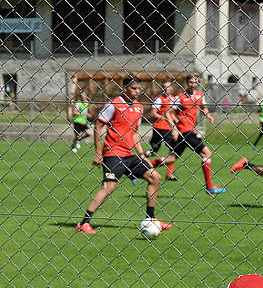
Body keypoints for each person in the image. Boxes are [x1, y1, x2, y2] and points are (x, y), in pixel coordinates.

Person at [76, 75, 170, 235]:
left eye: (139, 88)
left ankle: (151, 219)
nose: (137, 91)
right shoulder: (114, 105)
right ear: (124, 88)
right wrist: (98, 153)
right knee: (109, 187)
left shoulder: (139, 107)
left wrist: (141, 154)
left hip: (130, 155)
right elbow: (98, 126)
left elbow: (134, 134)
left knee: (155, 177)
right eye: (133, 88)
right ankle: (84, 223)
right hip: (113, 154)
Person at [172, 74, 224, 193]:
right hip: (185, 132)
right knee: (207, 154)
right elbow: (170, 112)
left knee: (171, 159)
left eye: (195, 82)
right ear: (186, 83)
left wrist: (208, 115)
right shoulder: (179, 97)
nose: (193, 84)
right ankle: (209, 187)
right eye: (190, 82)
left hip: (190, 131)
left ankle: (144, 167)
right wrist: (174, 126)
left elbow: (203, 108)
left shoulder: (200, 95)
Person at [146, 80, 179, 177]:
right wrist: (163, 118)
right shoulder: (159, 99)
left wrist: (176, 122)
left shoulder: (174, 99)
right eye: (164, 87)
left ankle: (169, 174)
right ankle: (141, 158)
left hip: (168, 128)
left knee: (173, 150)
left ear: (172, 88)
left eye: (168, 87)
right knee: (154, 152)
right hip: (159, 128)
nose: (166, 89)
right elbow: (153, 113)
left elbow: (172, 114)